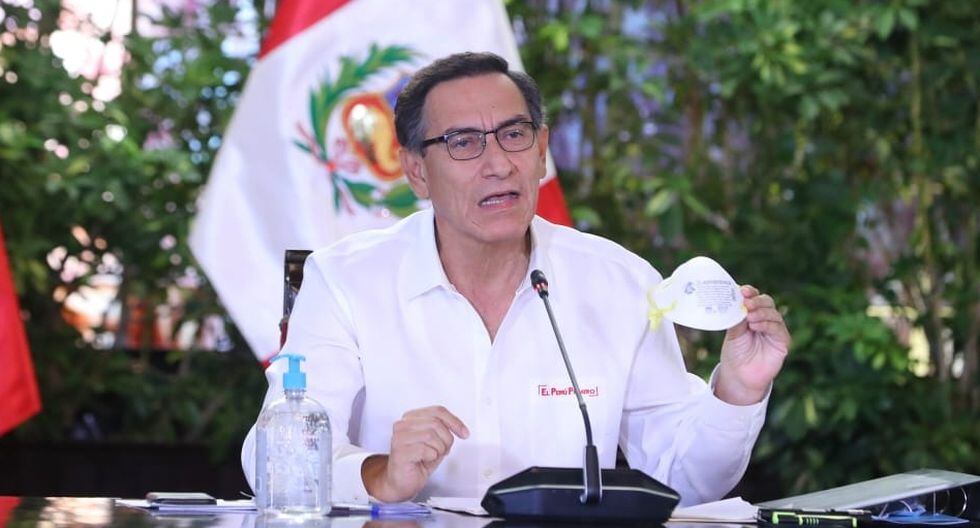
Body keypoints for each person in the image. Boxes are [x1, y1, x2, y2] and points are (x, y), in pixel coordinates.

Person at [241, 52, 791, 506]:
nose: (498, 163)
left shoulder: (620, 282)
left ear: (542, 151)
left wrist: (738, 392)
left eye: (513, 134)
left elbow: (682, 480)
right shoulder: (345, 280)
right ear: (416, 171)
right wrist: (378, 475)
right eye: (463, 142)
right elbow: (270, 459)